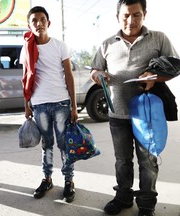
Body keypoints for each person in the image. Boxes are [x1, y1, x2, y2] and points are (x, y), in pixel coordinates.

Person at [90, 1, 179, 215]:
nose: (131, 20)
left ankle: (147, 203)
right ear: (117, 16)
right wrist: (98, 75)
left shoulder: (159, 38)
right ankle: (123, 196)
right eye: (126, 15)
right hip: (117, 114)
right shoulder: (107, 44)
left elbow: (175, 66)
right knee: (122, 161)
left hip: (146, 115)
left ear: (145, 14)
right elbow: (94, 70)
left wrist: (154, 77)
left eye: (137, 15)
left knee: (148, 162)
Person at [20, 6, 78, 202]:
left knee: (63, 144)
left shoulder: (60, 46)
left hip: (61, 102)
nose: (38, 23)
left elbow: (69, 76)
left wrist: (74, 106)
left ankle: (69, 181)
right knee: (47, 144)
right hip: (39, 103)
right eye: (34, 20)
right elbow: (25, 77)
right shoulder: (27, 48)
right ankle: (47, 178)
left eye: (42, 19)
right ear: (29, 25)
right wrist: (27, 104)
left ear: (48, 23)